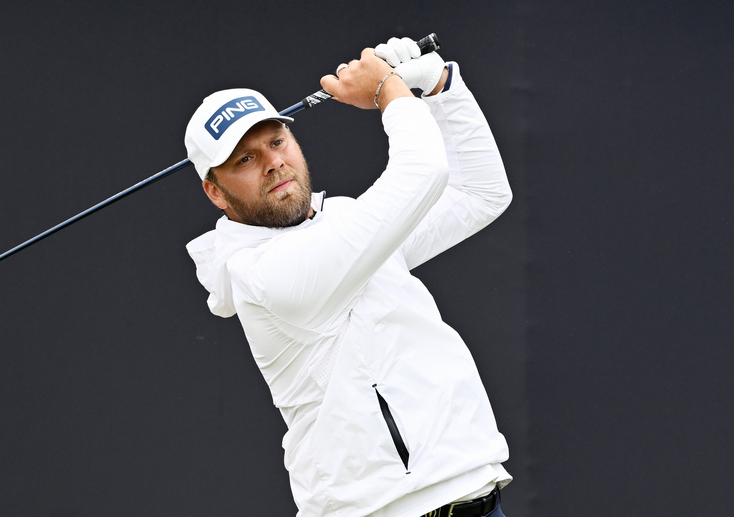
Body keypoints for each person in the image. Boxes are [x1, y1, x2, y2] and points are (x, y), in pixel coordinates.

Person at [184, 36, 513, 517]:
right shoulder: (262, 277)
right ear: (216, 193)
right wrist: (388, 91)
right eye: (245, 159)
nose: (274, 161)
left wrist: (438, 86)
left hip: (476, 497)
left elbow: (481, 193)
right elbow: (422, 171)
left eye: (276, 141)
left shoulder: (344, 221)